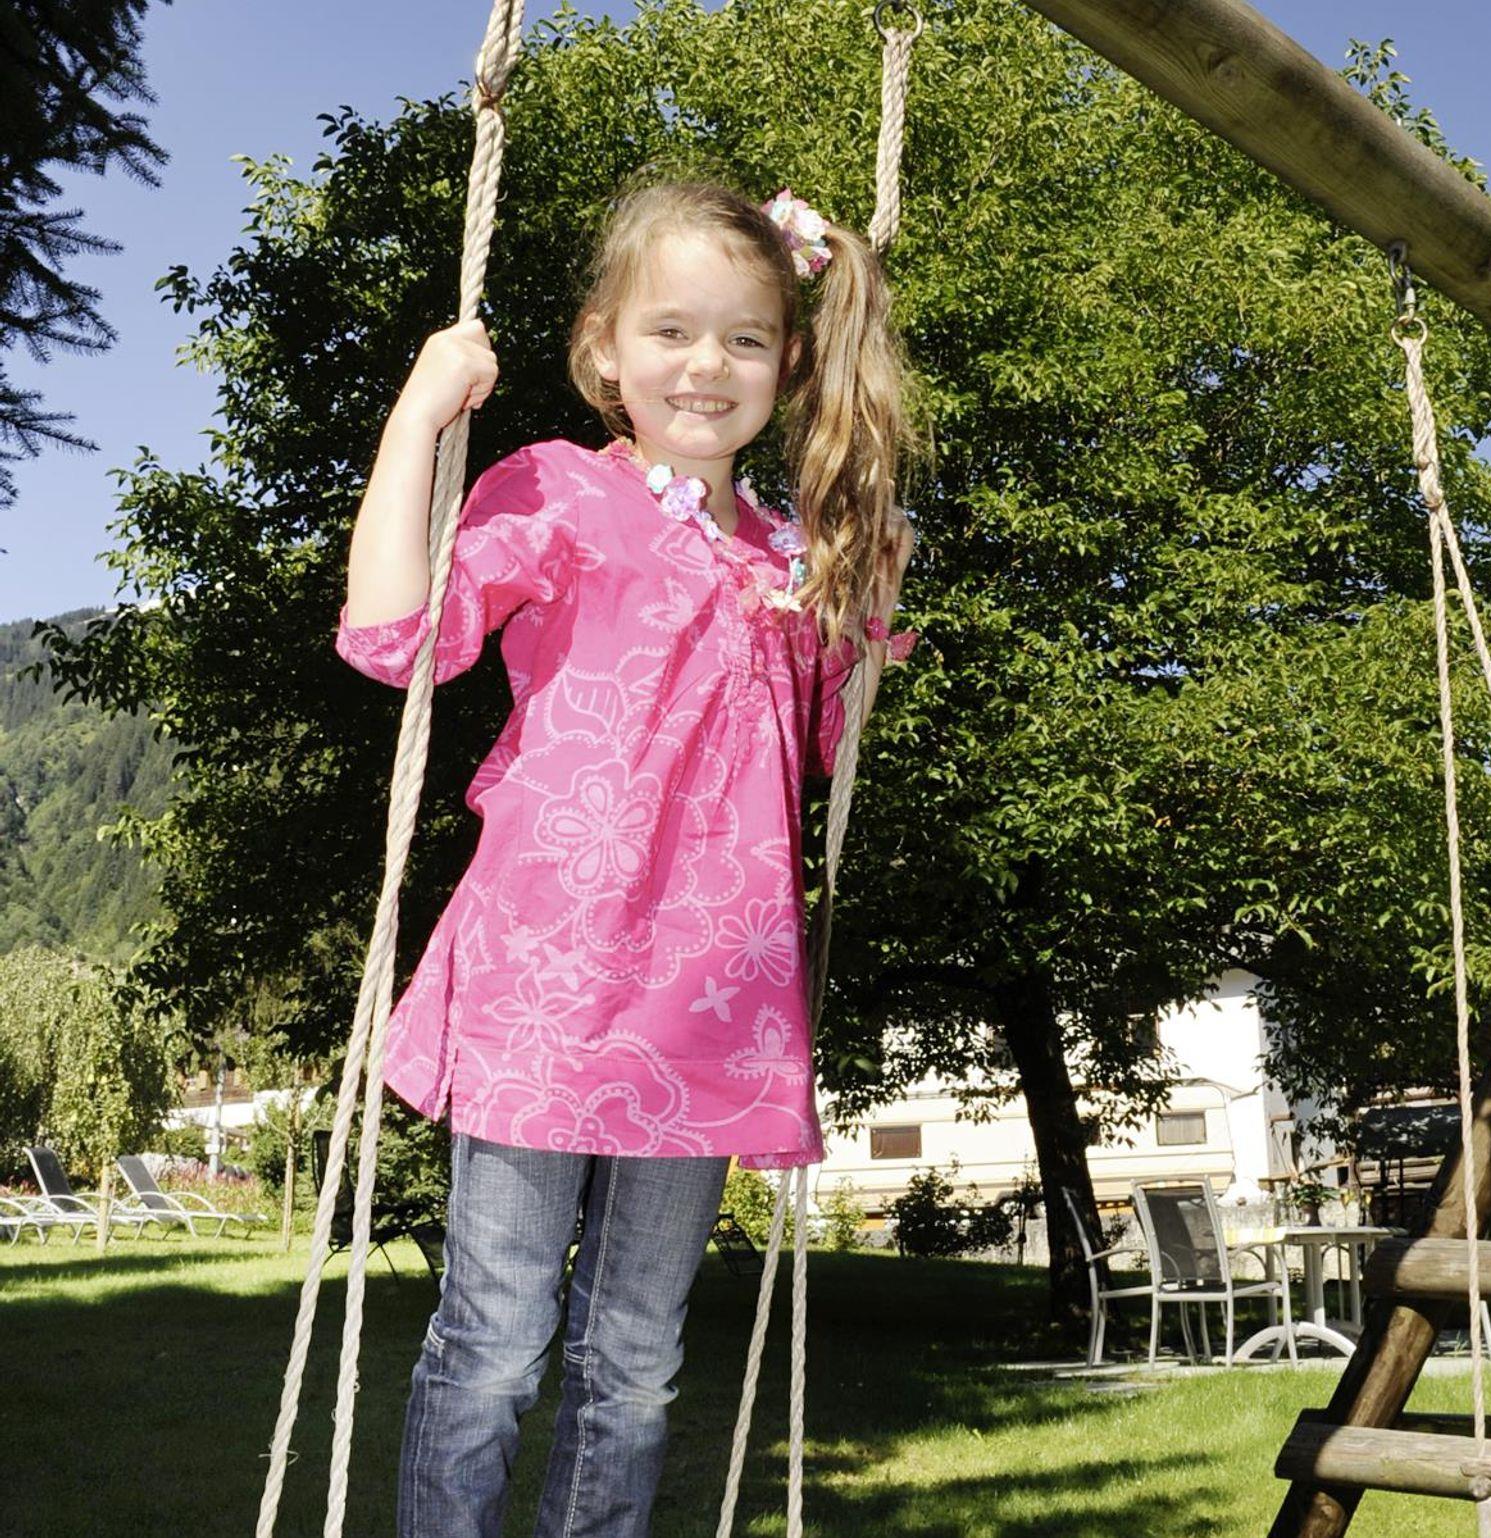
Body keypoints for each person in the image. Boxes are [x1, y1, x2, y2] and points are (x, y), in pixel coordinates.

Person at [335, 177, 918, 1538]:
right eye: (672, 330)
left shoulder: (792, 557)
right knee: (493, 1340)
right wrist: (421, 415)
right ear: (605, 348)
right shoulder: (558, 491)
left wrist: (861, 614)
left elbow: (809, 754)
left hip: (706, 1008)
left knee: (639, 1364)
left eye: (745, 338)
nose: (707, 364)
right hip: (548, 987)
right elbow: (395, 636)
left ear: (790, 362)